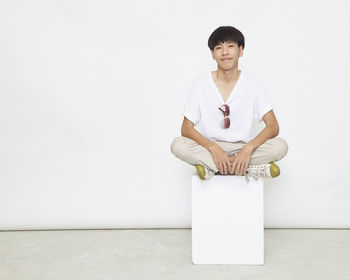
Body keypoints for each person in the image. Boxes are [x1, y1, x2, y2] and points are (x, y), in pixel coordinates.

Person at [170, 26, 288, 182]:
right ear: (213, 54)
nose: (225, 52)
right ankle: (247, 167)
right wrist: (213, 148)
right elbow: (186, 128)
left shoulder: (254, 85)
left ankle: (213, 167)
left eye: (230, 46)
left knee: (280, 146)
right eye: (219, 47)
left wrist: (248, 148)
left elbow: (273, 126)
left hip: (243, 146)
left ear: (241, 50)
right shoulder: (200, 84)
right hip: (211, 148)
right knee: (178, 145)